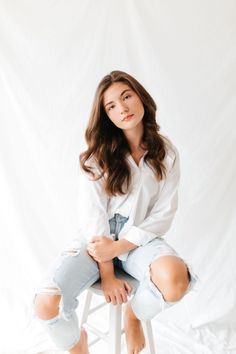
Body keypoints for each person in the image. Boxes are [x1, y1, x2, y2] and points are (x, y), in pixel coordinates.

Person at [33, 70, 198, 354]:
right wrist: (108, 274)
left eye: (127, 96)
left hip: (139, 241)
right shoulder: (97, 154)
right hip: (95, 243)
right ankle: (76, 346)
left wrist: (121, 246)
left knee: (175, 281)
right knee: (46, 305)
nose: (122, 108)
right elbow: (93, 219)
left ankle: (133, 314)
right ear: (106, 115)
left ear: (140, 97)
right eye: (111, 106)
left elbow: (163, 212)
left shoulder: (166, 152)